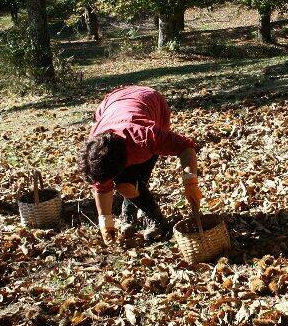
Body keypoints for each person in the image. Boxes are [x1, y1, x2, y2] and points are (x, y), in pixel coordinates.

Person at [78, 86, 202, 245]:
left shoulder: (144, 137)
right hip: (114, 102)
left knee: (131, 180)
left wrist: (190, 181)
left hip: (150, 100)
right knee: (127, 183)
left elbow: (185, 147)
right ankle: (129, 213)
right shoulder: (96, 146)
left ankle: (156, 220)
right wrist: (105, 221)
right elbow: (101, 186)